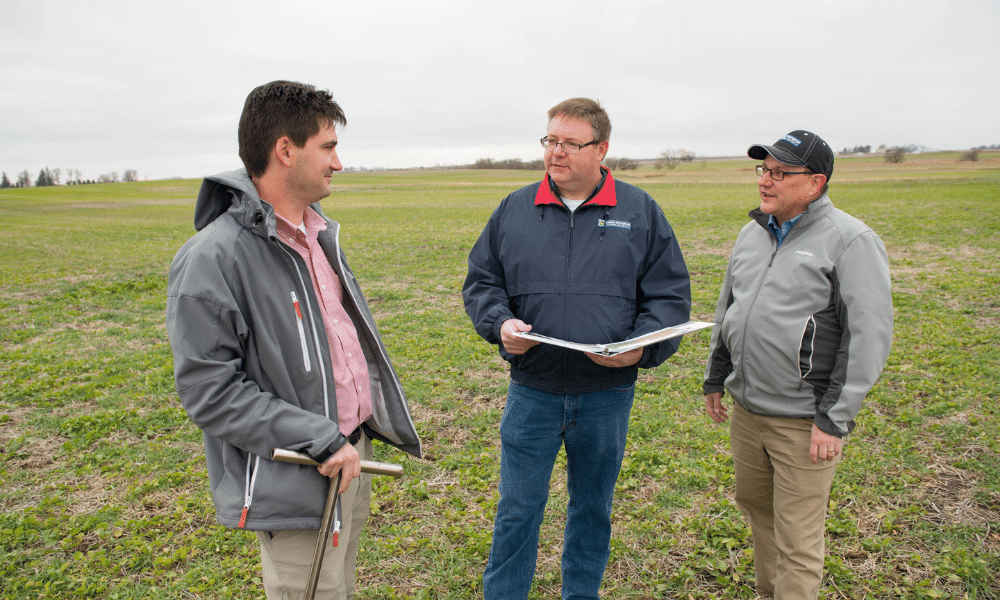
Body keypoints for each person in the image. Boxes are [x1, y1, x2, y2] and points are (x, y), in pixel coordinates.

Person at [165, 80, 421, 600]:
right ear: (285, 149)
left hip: (350, 454)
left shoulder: (316, 235)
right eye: (327, 146)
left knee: (338, 588)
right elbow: (209, 391)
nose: (339, 162)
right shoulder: (214, 257)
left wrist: (355, 429)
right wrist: (315, 436)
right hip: (300, 468)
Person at [463, 98, 691, 600]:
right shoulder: (515, 209)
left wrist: (640, 349)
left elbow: (669, 298)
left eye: (570, 143)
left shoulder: (639, 211)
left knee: (592, 509)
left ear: (601, 149)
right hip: (533, 391)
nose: (556, 152)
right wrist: (500, 324)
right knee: (517, 510)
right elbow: (482, 282)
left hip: (606, 396)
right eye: (550, 140)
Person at [703, 130, 893, 599]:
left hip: (804, 423)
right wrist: (716, 373)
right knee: (757, 510)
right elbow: (730, 307)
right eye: (763, 170)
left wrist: (834, 418)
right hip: (748, 413)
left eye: (780, 173)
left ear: (815, 182)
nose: (765, 182)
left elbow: (868, 336)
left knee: (798, 539)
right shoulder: (753, 232)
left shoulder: (850, 241)